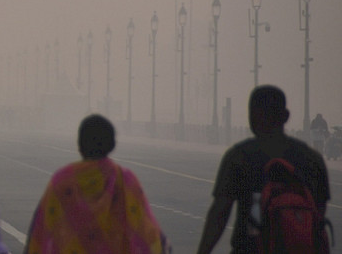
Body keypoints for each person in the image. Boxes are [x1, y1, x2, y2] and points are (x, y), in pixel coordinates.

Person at [196, 85, 330, 254]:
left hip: (250, 248)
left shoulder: (240, 156)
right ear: (286, 116)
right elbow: (319, 212)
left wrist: (202, 251)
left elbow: (220, 212)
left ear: (251, 117)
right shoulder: (312, 159)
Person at [23, 114, 168, 254]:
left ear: (80, 145)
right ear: (112, 144)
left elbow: (41, 228)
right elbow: (146, 231)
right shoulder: (124, 180)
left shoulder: (62, 180)